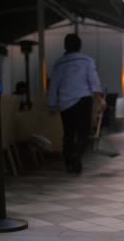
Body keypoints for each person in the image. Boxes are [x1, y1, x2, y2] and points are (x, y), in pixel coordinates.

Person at [47, 33, 106, 174]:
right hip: (83, 100)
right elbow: (93, 81)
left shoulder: (59, 63)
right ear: (80, 46)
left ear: (65, 46)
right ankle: (77, 156)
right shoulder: (87, 61)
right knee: (83, 132)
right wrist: (100, 99)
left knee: (68, 133)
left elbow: (53, 85)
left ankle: (69, 162)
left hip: (65, 103)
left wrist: (52, 104)